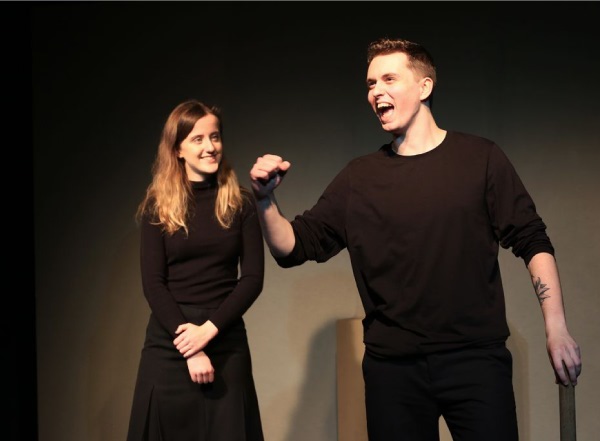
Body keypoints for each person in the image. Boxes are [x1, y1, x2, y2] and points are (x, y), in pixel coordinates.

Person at [249, 38, 582, 441]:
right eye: (370, 83)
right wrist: (265, 201)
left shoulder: (480, 159)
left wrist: (556, 327)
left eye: (389, 79)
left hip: (475, 361)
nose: (376, 91)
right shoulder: (359, 179)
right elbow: (292, 247)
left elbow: (532, 240)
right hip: (394, 371)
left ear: (424, 87)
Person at [127, 99, 265, 441]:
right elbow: (153, 284)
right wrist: (191, 345)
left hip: (225, 339)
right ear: (178, 149)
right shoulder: (158, 205)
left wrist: (208, 332)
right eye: (198, 139)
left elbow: (252, 279)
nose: (210, 147)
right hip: (170, 342)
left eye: (215, 137)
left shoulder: (240, 203)